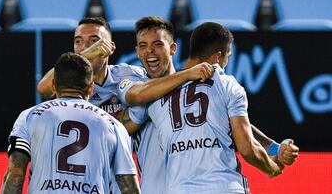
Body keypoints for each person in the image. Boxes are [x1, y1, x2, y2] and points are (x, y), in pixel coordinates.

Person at [117, 17, 299, 193]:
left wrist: (273, 147)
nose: (150, 51)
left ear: (173, 48)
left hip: (178, 188)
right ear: (218, 57)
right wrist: (272, 168)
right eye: (143, 46)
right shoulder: (141, 87)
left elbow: (226, 122)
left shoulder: (157, 101)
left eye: (157, 44)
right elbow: (245, 145)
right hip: (222, 186)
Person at [36, 17, 214, 193]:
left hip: (120, 181)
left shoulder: (129, 76)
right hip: (77, 182)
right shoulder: (70, 85)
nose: (86, 47)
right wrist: (84, 57)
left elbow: (139, 99)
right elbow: (43, 89)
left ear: (110, 47)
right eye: (78, 42)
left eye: (94, 41)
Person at [1, 52, 140, 194]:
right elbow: (129, 187)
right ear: (91, 88)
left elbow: (16, 175)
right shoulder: (114, 125)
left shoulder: (30, 115)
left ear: (54, 85)